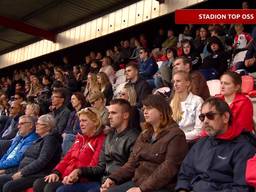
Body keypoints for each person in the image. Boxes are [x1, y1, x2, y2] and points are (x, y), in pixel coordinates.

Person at [101, 94, 188, 192]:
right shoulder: (145, 134)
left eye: (149, 108)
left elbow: (169, 168)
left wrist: (142, 189)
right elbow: (131, 163)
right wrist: (113, 178)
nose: (145, 112)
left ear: (161, 111)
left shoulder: (176, 135)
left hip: (161, 187)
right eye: (144, 109)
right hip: (138, 182)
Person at [54, 99, 139, 192]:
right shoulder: (109, 136)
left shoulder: (134, 137)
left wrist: (112, 179)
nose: (109, 117)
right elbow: (100, 166)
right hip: (104, 181)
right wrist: (79, 171)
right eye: (109, 113)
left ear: (125, 115)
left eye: (113, 113)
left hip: (120, 182)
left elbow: (131, 167)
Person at [175, 97, 256, 192]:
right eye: (202, 117)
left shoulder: (244, 148)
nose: (205, 121)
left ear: (225, 117)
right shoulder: (201, 143)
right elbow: (185, 174)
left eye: (210, 116)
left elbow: (241, 188)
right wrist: (182, 189)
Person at [33, 107, 105, 192]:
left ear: (95, 122)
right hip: (67, 175)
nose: (81, 124)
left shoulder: (100, 140)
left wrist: (73, 177)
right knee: (39, 183)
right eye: (80, 121)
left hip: (82, 178)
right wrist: (56, 173)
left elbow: (94, 166)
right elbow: (67, 158)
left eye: (84, 121)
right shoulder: (80, 138)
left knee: (51, 188)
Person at [0, 114, 62, 192]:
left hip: (37, 174)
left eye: (39, 124)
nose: (36, 126)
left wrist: (22, 173)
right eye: (36, 123)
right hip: (24, 171)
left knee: (7, 186)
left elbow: (41, 161)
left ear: (48, 127)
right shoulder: (40, 139)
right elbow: (24, 161)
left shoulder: (50, 140)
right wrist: (6, 171)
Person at [170, 71, 203, 142]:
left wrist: (178, 137)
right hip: (174, 140)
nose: (175, 84)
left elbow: (199, 131)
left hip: (191, 142)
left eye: (178, 81)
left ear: (187, 83)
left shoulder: (197, 101)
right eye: (174, 82)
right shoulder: (173, 102)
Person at [218, 71, 254, 137]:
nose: (222, 86)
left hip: (238, 141)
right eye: (221, 83)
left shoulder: (245, 103)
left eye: (226, 83)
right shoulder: (217, 100)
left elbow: (243, 130)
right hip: (218, 137)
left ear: (236, 87)